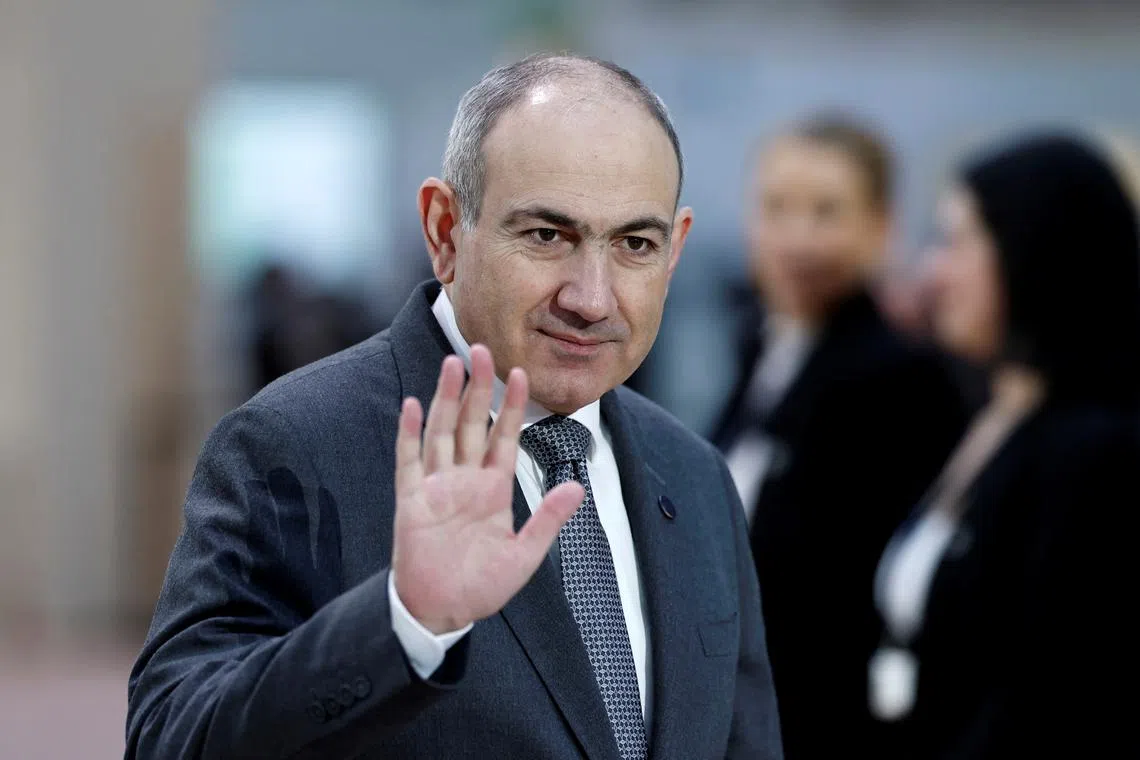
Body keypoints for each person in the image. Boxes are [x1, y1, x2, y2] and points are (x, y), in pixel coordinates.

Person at [125, 54, 783, 760]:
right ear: (444, 230)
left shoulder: (693, 476)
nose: (591, 298)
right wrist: (404, 624)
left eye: (634, 244)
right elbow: (171, 739)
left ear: (675, 248)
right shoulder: (297, 444)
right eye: (546, 235)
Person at [870, 132, 1140, 759]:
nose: (934, 270)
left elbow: (1051, 696)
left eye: (958, 241)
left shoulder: (1094, 452)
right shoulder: (990, 413)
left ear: (1035, 254)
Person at [709, 115, 968, 759]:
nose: (798, 237)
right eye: (778, 208)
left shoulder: (901, 378)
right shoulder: (763, 347)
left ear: (881, 225)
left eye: (827, 212)